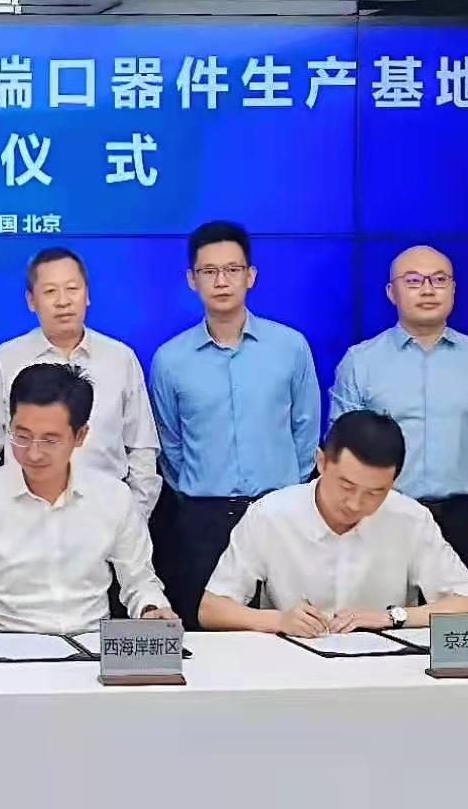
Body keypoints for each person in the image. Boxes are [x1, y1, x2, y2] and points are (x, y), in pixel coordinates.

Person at [329, 245, 468, 609]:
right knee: (378, 624)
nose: (428, 289)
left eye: (439, 279)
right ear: (392, 292)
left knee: (463, 631)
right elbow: (343, 454)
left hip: (465, 521)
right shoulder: (361, 362)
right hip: (383, 516)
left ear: (453, 289)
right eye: (414, 281)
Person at [149, 221, 320, 629]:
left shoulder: (290, 347)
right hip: (202, 519)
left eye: (232, 269)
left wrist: (285, 490)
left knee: (290, 629)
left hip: (279, 513)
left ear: (250, 276)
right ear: (192, 279)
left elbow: (306, 430)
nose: (221, 281)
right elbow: (170, 443)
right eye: (209, 271)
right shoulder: (170, 360)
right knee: (202, 632)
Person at [0, 363, 177, 640]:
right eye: (22, 436)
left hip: (92, 644)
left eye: (50, 440)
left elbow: (140, 580)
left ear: (80, 436)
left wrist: (151, 609)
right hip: (6, 644)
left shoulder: (114, 497)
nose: (33, 453)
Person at [198, 410, 468, 637]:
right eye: (346, 486)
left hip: (385, 669)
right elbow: (211, 609)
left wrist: (392, 617)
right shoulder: (270, 514)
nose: (355, 504)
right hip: (291, 667)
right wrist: (279, 620)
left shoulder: (410, 518)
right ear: (321, 462)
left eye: (375, 493)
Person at [0, 247, 160, 519]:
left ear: (87, 294)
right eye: (50, 291)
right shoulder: (5, 360)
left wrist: (134, 517)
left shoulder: (120, 359)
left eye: (72, 289)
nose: (63, 301)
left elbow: (141, 448)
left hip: (105, 515)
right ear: (31, 300)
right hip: (24, 517)